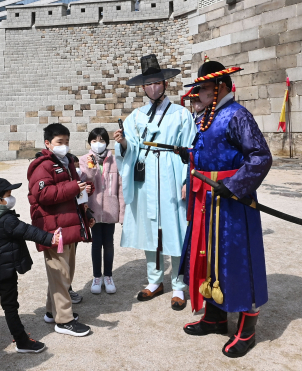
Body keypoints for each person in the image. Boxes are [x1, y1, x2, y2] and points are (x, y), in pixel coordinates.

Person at [179, 59, 272, 358]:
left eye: (203, 88)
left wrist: (233, 186)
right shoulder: (207, 116)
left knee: (236, 257)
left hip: (232, 201)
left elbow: (260, 157)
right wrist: (190, 155)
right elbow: (209, 150)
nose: (199, 93)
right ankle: (215, 317)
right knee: (209, 256)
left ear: (219, 88)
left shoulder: (237, 115)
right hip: (206, 198)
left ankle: (247, 328)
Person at [113, 54, 196, 310]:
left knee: (175, 228)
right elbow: (130, 146)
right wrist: (123, 143)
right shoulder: (136, 116)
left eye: (157, 83)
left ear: (165, 84)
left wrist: (186, 181)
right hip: (146, 176)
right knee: (151, 230)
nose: (153, 88)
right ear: (142, 88)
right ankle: (154, 280)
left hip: (171, 172)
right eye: (148, 84)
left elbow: (190, 148)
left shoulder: (181, 114)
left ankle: (180, 286)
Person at [0, 178, 60, 353]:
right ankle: (22, 341)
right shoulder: (6, 220)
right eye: (8, 195)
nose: (11, 198)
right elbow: (27, 230)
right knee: (10, 305)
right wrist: (50, 238)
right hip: (5, 269)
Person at [27, 123, 95, 337]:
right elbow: (43, 194)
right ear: (47, 143)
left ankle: (51, 311)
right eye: (59, 142)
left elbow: (71, 195)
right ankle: (63, 320)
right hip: (53, 228)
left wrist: (86, 207)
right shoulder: (42, 165)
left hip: (68, 223)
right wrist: (75, 187)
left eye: (66, 141)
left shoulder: (66, 163)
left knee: (63, 273)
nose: (64, 146)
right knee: (60, 272)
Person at [79, 127, 125, 294]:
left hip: (110, 210)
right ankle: (97, 277)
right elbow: (85, 180)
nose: (98, 144)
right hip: (93, 209)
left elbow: (120, 187)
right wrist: (91, 166)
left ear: (107, 142)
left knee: (109, 244)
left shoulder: (114, 159)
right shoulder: (84, 159)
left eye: (102, 140)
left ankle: (108, 276)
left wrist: (122, 214)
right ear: (89, 142)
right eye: (94, 140)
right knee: (96, 244)